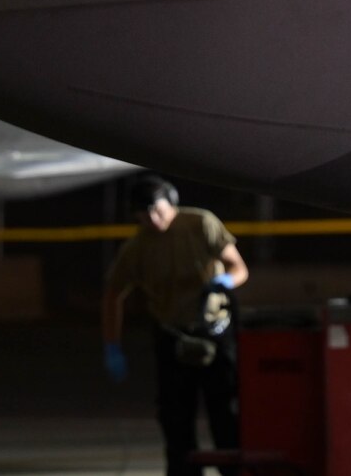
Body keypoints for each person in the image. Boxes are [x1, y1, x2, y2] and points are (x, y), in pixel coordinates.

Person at [102, 176, 249, 476]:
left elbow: (239, 267)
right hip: (173, 339)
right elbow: (112, 296)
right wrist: (112, 345)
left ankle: (234, 471)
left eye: (158, 211)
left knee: (227, 414)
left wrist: (225, 282)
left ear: (172, 203)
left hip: (216, 333)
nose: (154, 220)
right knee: (176, 419)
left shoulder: (200, 224)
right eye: (144, 215)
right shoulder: (136, 248)